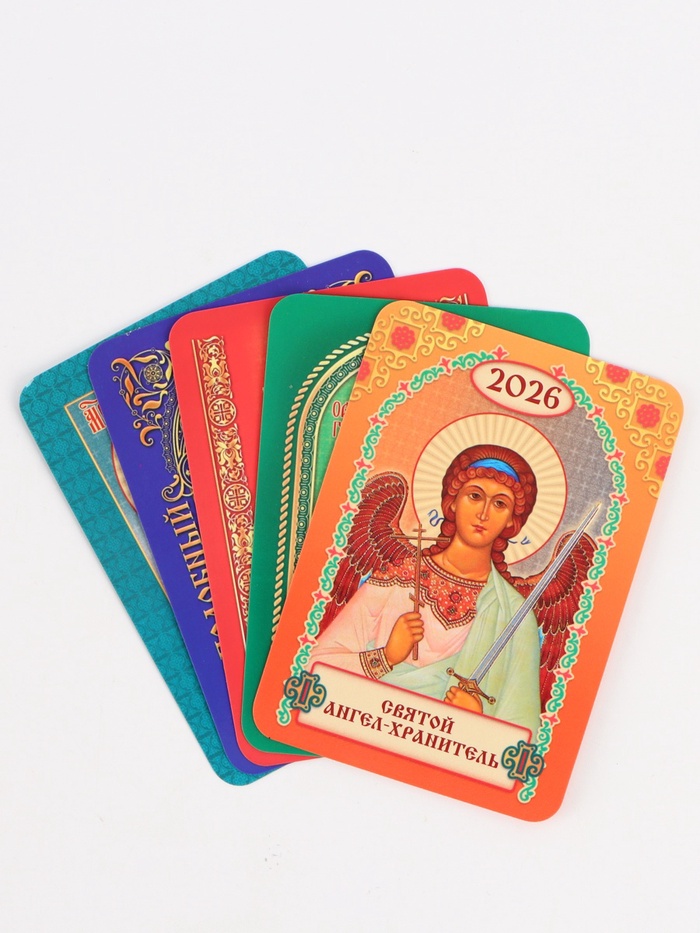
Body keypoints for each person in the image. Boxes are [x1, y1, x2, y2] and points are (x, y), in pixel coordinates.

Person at [308, 444, 542, 736]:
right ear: (453, 501)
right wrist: (385, 657)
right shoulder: (396, 580)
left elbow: (524, 735)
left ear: (511, 520)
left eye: (499, 504)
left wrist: (478, 719)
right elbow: (313, 668)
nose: (483, 513)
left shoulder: (516, 617)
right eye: (474, 496)